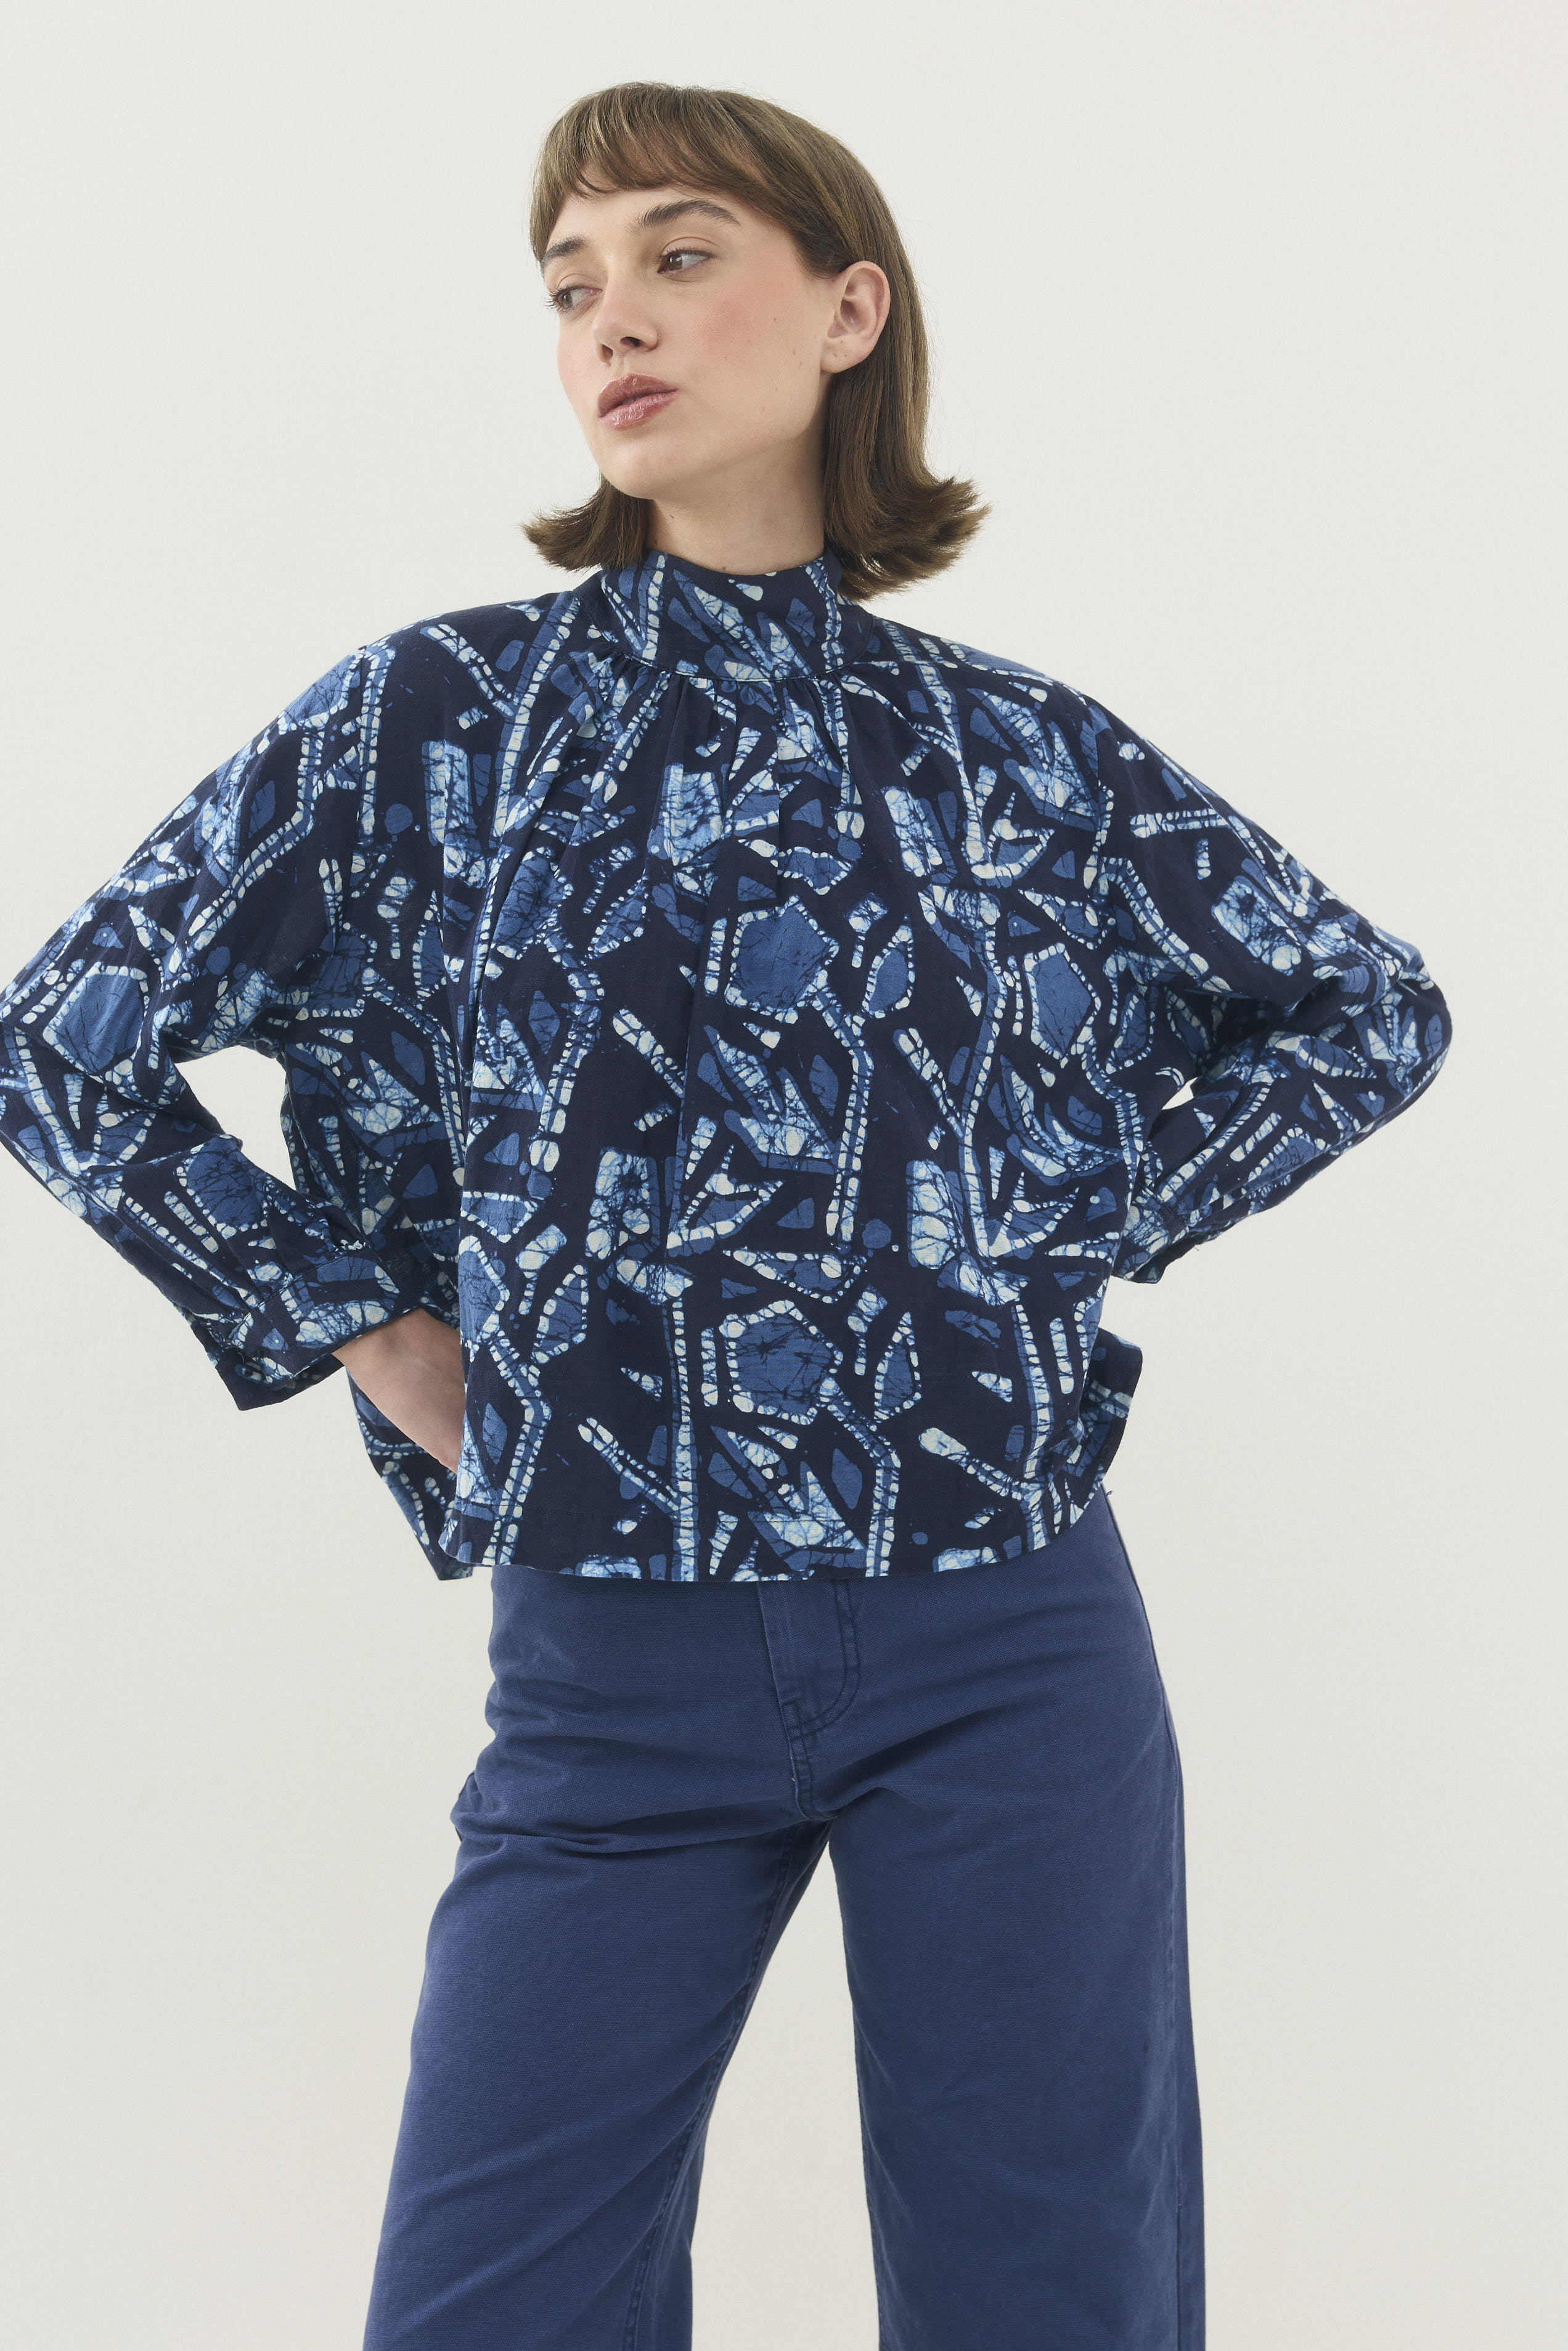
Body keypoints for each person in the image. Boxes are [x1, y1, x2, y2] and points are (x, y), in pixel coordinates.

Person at [0, 78, 1451, 2351]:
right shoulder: (435, 723)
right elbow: (61, 1040)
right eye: (572, 282)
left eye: (681, 256)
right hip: (613, 1655)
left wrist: (1059, 1218)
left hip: (1009, 1631)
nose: (615, 319)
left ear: (850, 310)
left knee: (1055, 2296)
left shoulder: (1020, 754)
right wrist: (373, 1330)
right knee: (486, 2303)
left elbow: (1366, 1012)